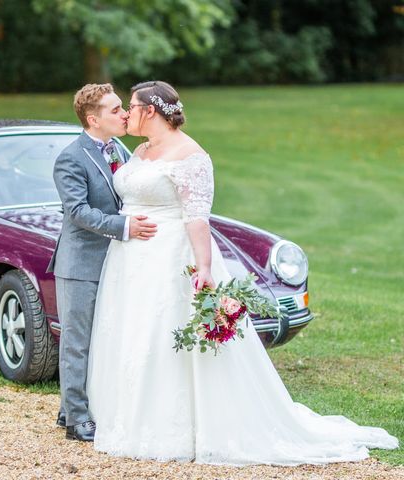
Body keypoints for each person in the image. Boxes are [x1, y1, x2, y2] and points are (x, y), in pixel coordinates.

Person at [86, 80, 398, 464]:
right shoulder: (141, 150)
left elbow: (197, 218)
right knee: (134, 332)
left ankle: (175, 429)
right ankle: (126, 418)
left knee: (164, 331)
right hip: (130, 259)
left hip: (170, 256)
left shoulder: (191, 157)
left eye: (130, 107)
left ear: (150, 111)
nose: (126, 114)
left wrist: (203, 266)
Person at [47, 83, 158, 442]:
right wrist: (125, 226)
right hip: (80, 265)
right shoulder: (70, 158)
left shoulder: (119, 149)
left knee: (105, 339)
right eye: (114, 110)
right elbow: (78, 212)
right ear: (93, 119)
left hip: (116, 263)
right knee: (77, 342)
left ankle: (71, 409)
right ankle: (77, 419)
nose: (124, 113)